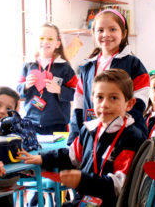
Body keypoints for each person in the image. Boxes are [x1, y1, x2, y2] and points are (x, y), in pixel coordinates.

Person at [18, 69, 145, 207]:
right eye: (99, 97)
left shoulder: (131, 137)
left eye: (114, 98)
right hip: (86, 201)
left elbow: (119, 185)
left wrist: (82, 180)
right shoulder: (89, 129)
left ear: (130, 104)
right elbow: (71, 156)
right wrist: (42, 158)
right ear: (92, 100)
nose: (104, 104)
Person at [68, 8, 149, 145]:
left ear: (123, 33)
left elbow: (141, 99)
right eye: (100, 30)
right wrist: (75, 136)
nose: (106, 34)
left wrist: (117, 126)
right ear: (93, 34)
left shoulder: (133, 63)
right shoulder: (87, 67)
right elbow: (78, 104)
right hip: (92, 134)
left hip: (124, 136)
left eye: (112, 29)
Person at [17, 22, 78, 135]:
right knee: (33, 152)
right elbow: (18, 92)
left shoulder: (64, 67)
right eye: (41, 38)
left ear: (57, 44)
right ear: (36, 42)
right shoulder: (28, 65)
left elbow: (77, 93)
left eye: (50, 39)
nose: (45, 42)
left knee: (57, 152)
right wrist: (25, 86)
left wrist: (60, 90)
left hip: (58, 124)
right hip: (31, 123)